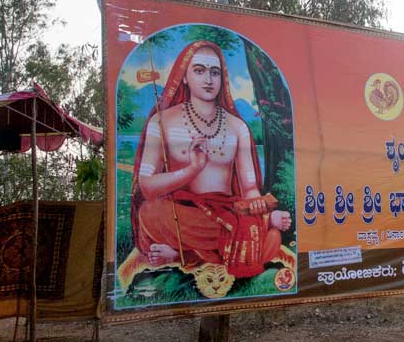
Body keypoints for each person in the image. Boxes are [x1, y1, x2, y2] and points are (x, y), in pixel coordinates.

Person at [118, 40, 291, 287]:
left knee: (271, 240)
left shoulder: (238, 127)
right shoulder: (161, 122)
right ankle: (247, 234)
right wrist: (192, 169)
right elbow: (147, 186)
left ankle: (183, 255)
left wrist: (256, 210)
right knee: (150, 212)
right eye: (199, 70)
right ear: (184, 77)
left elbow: (250, 189)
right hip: (182, 214)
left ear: (222, 79)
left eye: (215, 72)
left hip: (229, 211)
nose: (208, 79)